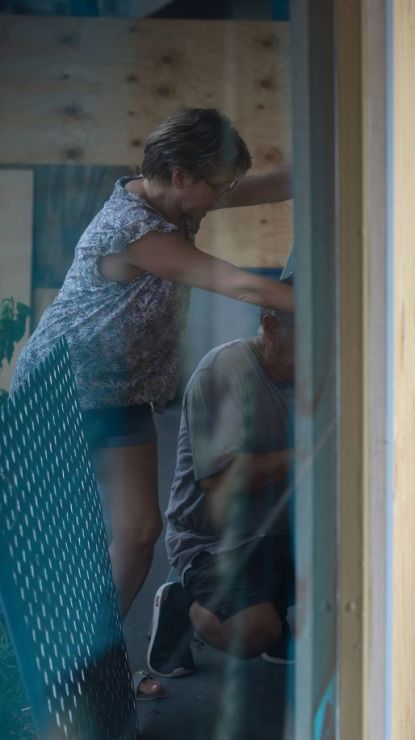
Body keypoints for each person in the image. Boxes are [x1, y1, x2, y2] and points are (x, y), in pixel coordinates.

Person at [11, 107, 295, 699]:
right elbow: (241, 284)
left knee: (139, 530)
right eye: (218, 186)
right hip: (61, 388)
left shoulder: (176, 198)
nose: (222, 199)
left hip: (121, 391)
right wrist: (344, 305)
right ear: (180, 174)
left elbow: (282, 183)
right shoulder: (132, 230)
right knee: (61, 542)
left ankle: (94, 663)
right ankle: (40, 675)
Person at [147, 287, 295, 678]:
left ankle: (278, 613)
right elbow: (220, 481)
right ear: (270, 324)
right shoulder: (223, 372)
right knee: (253, 632)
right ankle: (183, 604)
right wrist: (308, 455)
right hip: (214, 541)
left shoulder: (320, 373)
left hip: (282, 532)